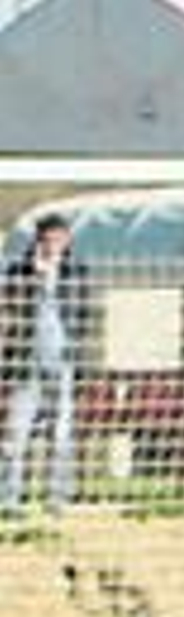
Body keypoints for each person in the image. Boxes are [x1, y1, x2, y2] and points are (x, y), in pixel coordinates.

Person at [1, 213, 93, 515]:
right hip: (26, 362)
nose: (52, 244)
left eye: (58, 238)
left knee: (60, 432)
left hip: (63, 361)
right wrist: (35, 277)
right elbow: (10, 309)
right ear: (37, 240)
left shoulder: (75, 272)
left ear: (67, 240)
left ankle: (56, 500)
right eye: (46, 238)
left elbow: (83, 314)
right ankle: (9, 499)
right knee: (17, 431)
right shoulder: (18, 271)